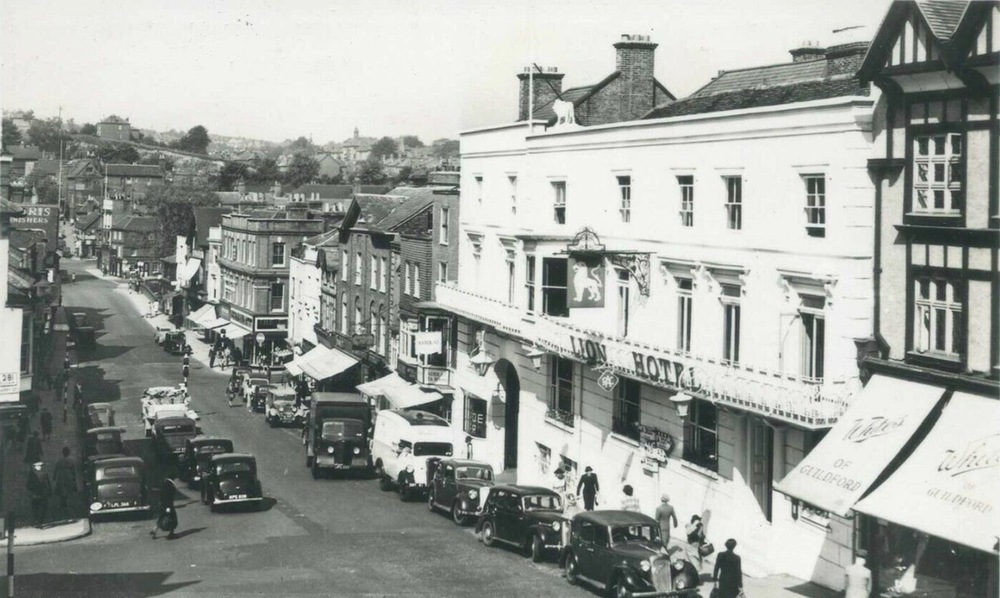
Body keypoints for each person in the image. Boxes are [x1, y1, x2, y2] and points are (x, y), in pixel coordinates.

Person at [52, 446, 78, 513]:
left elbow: (56, 469)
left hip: (61, 477)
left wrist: (54, 477)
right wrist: (74, 478)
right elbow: (73, 470)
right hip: (68, 476)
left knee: (62, 489)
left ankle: (63, 502)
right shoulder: (70, 460)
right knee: (67, 489)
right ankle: (65, 502)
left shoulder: (60, 460)